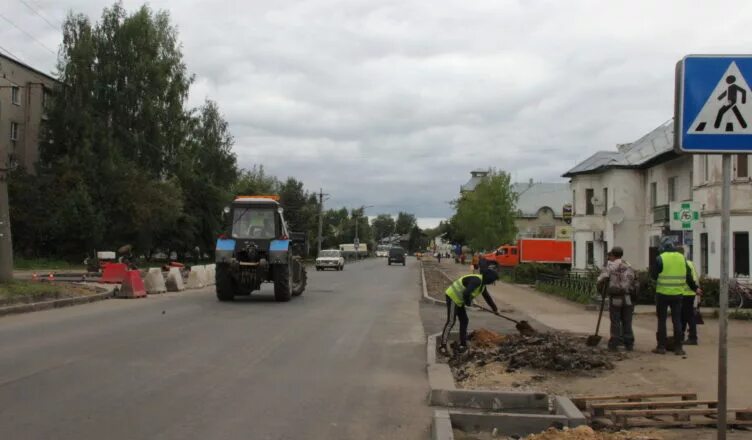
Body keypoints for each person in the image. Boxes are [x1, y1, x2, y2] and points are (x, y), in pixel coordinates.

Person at [650, 239, 701, 355]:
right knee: (677, 320)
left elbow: (653, 276)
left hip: (662, 294)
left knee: (662, 320)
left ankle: (661, 347)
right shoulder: (682, 258)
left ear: (663, 248)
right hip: (678, 294)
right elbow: (689, 276)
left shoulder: (660, 258)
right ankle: (678, 348)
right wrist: (695, 288)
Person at [439, 269, 499, 354]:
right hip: (452, 297)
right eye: (493, 281)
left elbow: (487, 297)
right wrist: (469, 302)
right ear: (489, 278)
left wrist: (495, 309)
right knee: (451, 321)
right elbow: (466, 293)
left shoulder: (482, 285)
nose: (492, 283)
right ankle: (443, 345)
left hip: (459, 300)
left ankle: (463, 344)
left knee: (464, 320)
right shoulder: (477, 281)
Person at [596, 247, 636, 352]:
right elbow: (634, 279)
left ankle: (614, 343)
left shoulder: (610, 266)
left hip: (615, 297)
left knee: (615, 321)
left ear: (613, 255)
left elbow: (601, 279)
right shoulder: (628, 265)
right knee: (627, 321)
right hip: (627, 297)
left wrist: (601, 289)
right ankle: (629, 343)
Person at [676, 246, 700, 345]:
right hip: (691, 293)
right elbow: (696, 277)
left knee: (687, 316)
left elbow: (687, 278)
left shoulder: (682, 263)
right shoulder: (690, 263)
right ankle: (682, 336)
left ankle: (692, 337)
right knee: (685, 316)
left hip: (684, 292)